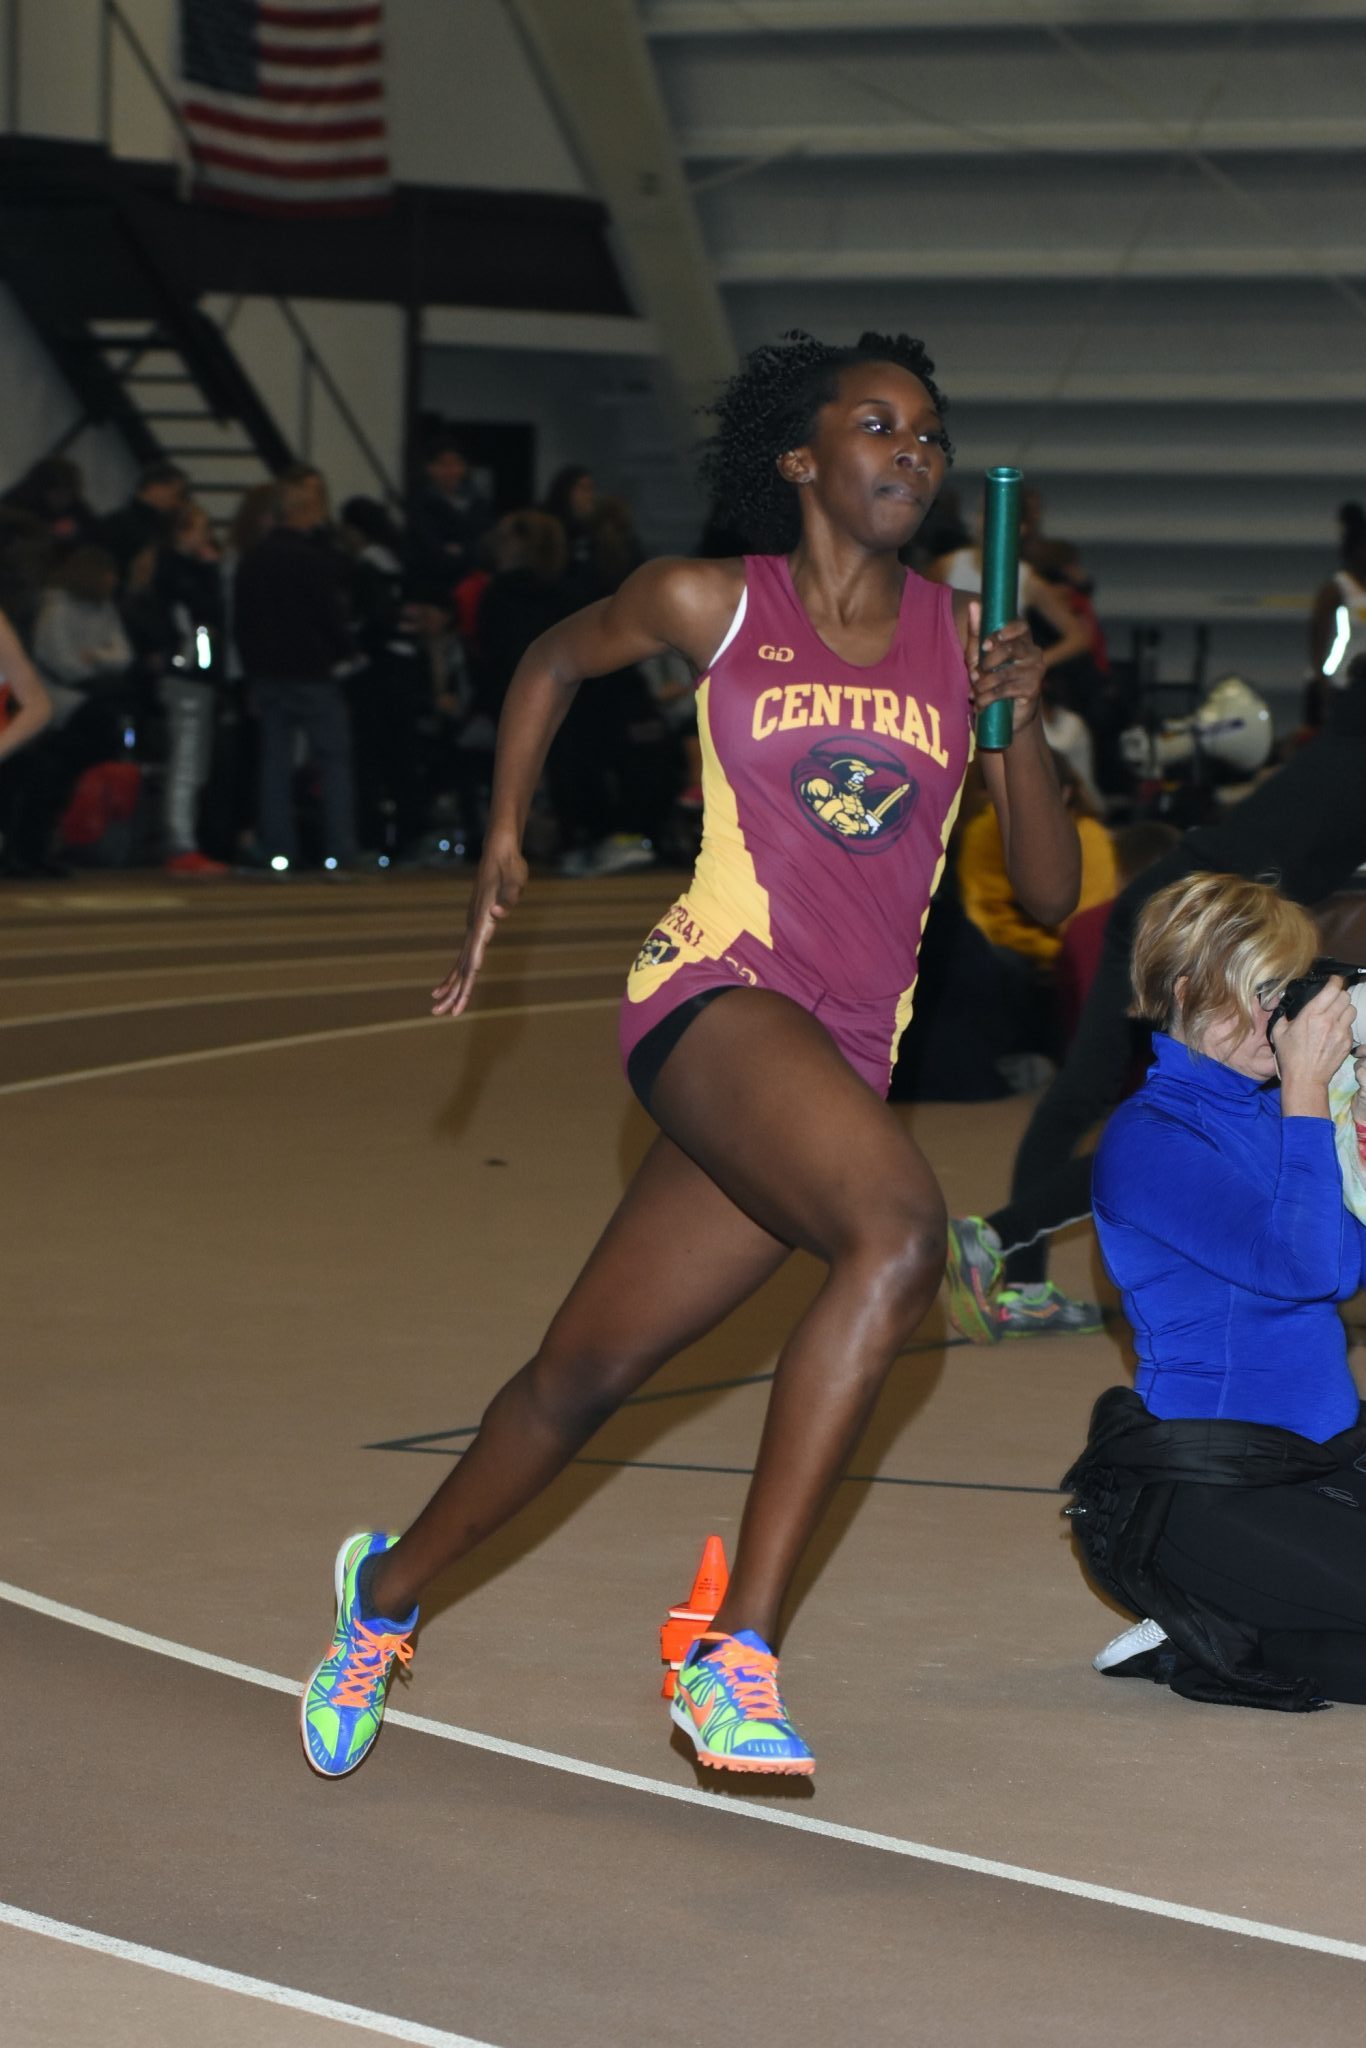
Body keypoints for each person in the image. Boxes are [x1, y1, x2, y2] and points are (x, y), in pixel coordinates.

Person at [300, 327, 1080, 1782]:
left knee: (577, 1378)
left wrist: (1016, 728)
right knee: (903, 1236)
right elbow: (546, 658)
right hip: (710, 991)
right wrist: (503, 847)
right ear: (800, 458)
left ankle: (384, 1594)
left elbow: (1043, 899)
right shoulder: (712, 601)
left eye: (929, 432)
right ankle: (739, 1653)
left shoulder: (954, 648)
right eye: (876, 424)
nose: (912, 451)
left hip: (832, 1062)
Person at [942, 665, 1366, 1343]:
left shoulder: (1344, 750)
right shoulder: (1352, 760)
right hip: (1196, 926)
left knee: (1144, 1102)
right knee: (1194, 1110)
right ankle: (1001, 1246)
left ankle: (1003, 1254)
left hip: (1193, 915)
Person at [1063, 872, 1366, 1711]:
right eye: (1263, 992)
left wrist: (1343, 1107)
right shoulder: (1147, 1138)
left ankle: (1230, 1616)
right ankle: (1200, 1620)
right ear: (1191, 993)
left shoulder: (1279, 1112)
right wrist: (1310, 1095)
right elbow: (1302, 1270)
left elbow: (1344, 1270)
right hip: (1214, 1488)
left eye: (1290, 989)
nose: (1286, 1017)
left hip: (1325, 1456)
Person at [233, 467, 359, 872]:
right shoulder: (312, 559)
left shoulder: (252, 559)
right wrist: (348, 652)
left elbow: (243, 624)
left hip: (269, 673)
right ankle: (339, 851)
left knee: (274, 764)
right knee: (334, 761)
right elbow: (329, 616)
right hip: (312, 672)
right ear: (303, 512)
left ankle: (279, 850)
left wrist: (252, 674)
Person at [1305, 502, 1366, 729]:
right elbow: (1317, 644)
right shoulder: (1336, 590)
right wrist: (1323, 684)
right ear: (1355, 550)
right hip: (1338, 682)